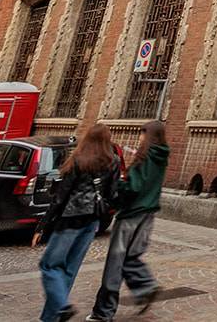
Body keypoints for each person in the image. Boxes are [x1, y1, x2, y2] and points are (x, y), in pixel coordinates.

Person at [35, 124, 121, 322]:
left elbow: (60, 197)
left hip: (70, 220)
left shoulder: (78, 159)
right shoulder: (114, 161)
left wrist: (43, 225)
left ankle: (62, 306)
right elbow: (113, 195)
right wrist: (101, 209)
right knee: (69, 270)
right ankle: (50, 317)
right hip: (92, 222)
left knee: (49, 265)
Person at [89, 120, 169, 319]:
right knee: (131, 257)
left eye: (143, 133)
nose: (140, 137)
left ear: (149, 136)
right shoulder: (161, 156)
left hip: (131, 215)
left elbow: (134, 187)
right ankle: (146, 286)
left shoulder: (146, 157)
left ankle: (103, 312)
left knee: (115, 263)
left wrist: (119, 186)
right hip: (148, 215)